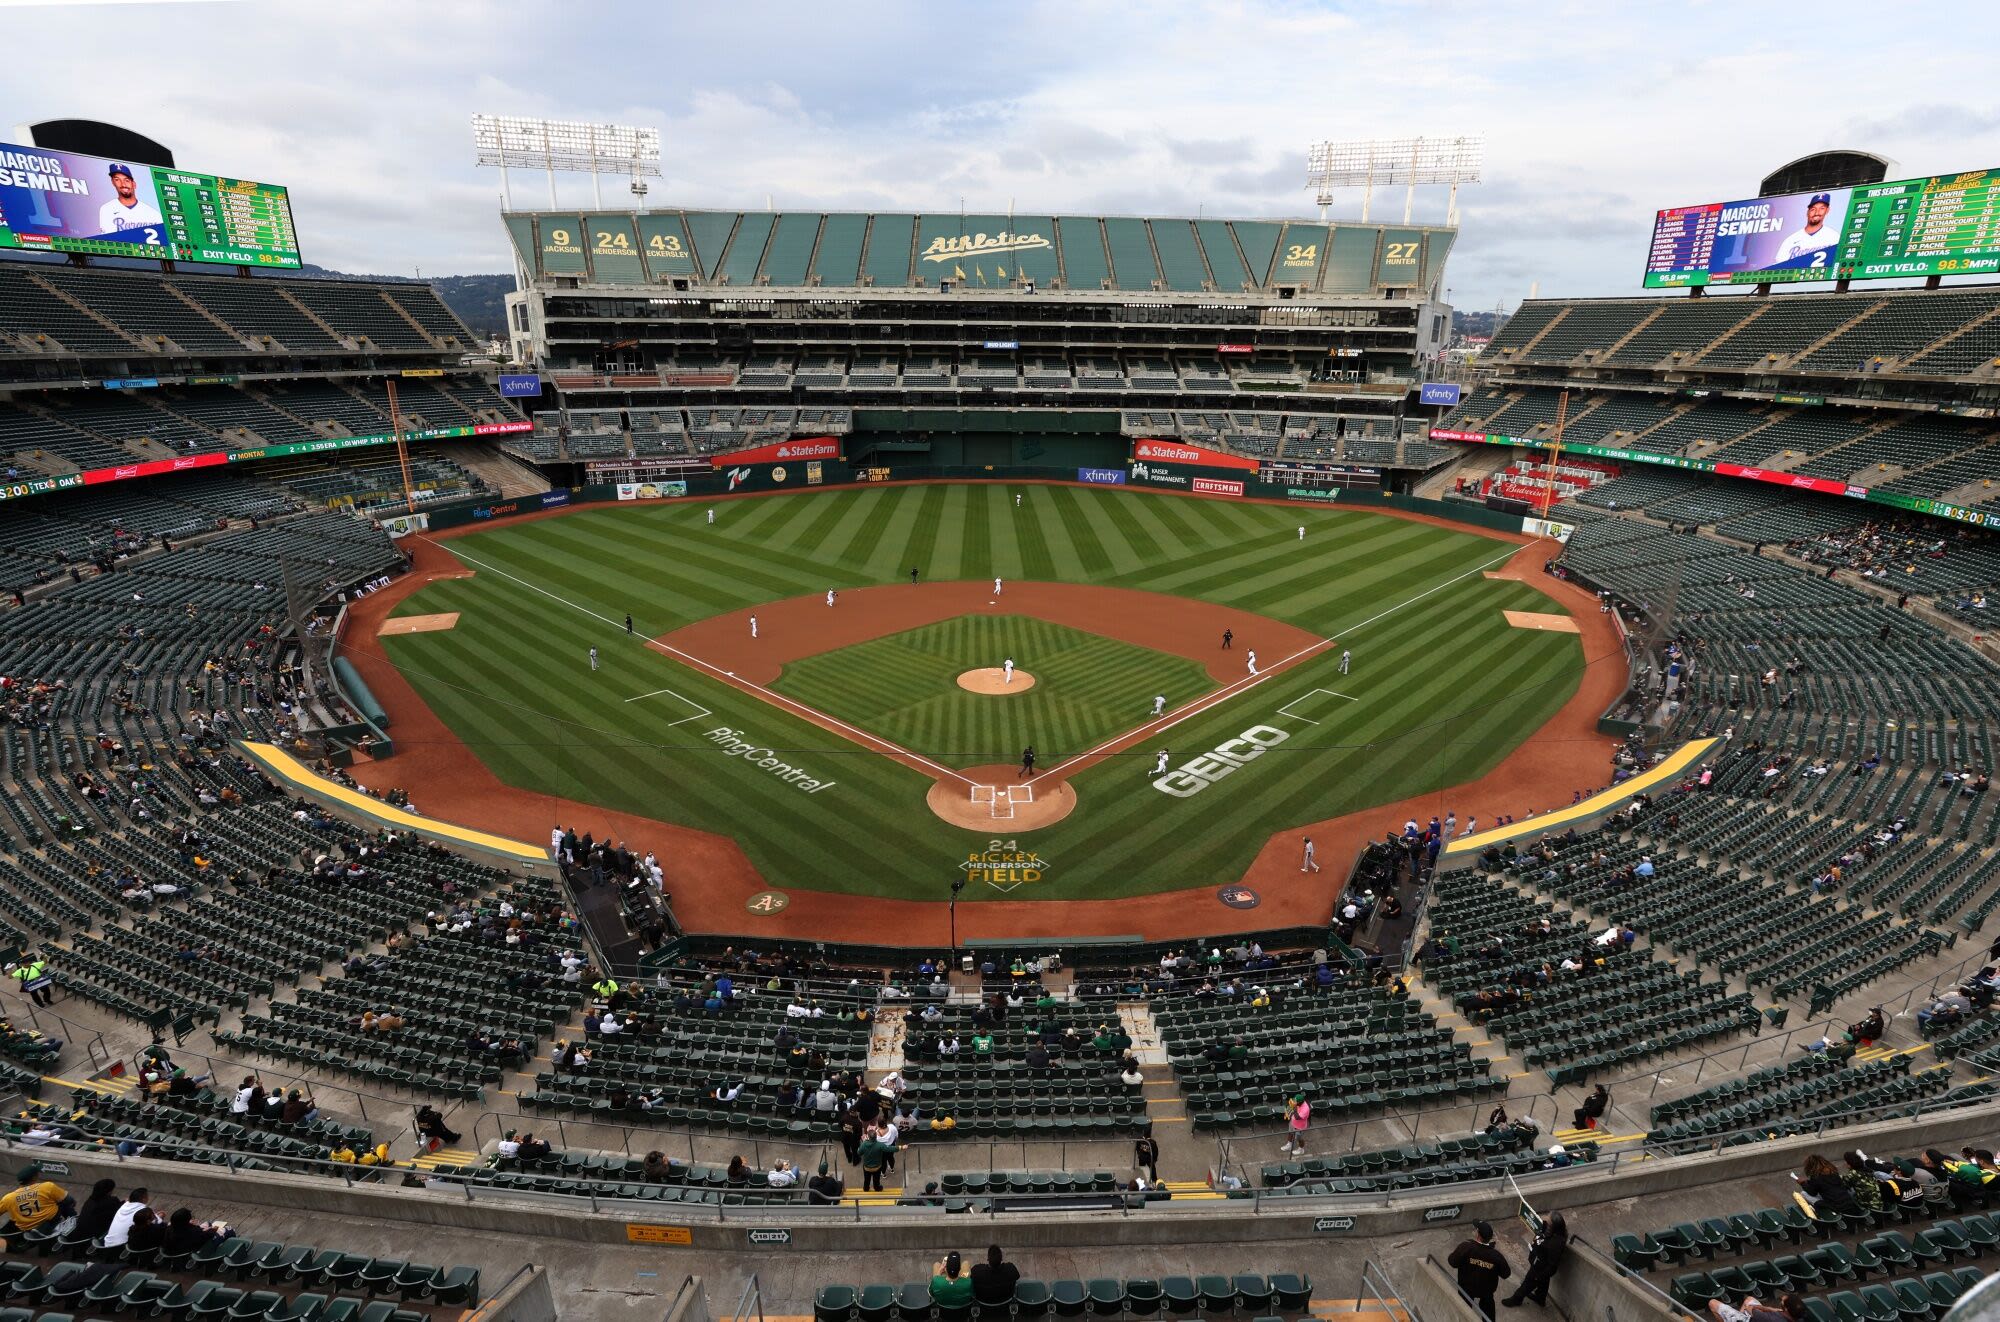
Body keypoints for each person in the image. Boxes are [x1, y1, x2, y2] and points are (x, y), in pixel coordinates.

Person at [1448, 1220, 1512, 1320]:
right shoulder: (1496, 1256)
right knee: (1488, 1316)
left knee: (1463, 1312)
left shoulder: (1465, 1247)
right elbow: (1506, 1274)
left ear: (1478, 1234)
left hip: (1465, 1288)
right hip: (1486, 1292)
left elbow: (1452, 1262)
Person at [1502, 1212, 1567, 1308]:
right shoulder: (1551, 1232)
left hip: (1540, 1268)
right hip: (1539, 1261)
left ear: (1553, 1226)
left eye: (1548, 1220)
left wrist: (1540, 1276)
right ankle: (1540, 1298)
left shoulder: (1555, 1244)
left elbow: (1552, 1265)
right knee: (1544, 1282)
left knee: (1528, 1282)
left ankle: (1517, 1299)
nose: (1545, 1218)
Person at [97, 163, 165, 237]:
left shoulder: (154, 214)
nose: (123, 184)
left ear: (134, 184)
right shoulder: (107, 209)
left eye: (127, 180)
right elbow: (109, 241)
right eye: (117, 180)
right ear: (113, 182)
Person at [0, 1165, 70, 1235]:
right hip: (50, 1222)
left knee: (13, 1217)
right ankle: (74, 1226)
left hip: (27, 1230)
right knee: (65, 1202)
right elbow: (69, 1200)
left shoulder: (7, 1198)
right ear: (34, 1177)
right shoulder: (47, 1186)